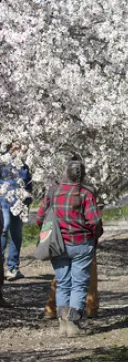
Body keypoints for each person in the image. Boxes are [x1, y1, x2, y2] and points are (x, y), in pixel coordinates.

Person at [36, 158, 103, 337]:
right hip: (81, 243)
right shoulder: (85, 194)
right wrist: (95, 234)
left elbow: (40, 218)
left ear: (65, 173)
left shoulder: (52, 193)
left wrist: (50, 234)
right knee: (79, 284)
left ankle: (62, 323)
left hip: (58, 244)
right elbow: (94, 221)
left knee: (63, 283)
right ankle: (73, 321)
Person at [1, 142, 33, 281]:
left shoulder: (24, 166)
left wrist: (27, 200)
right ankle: (1, 265)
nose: (20, 150)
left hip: (20, 205)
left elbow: (28, 184)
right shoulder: (3, 163)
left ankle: (13, 267)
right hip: (5, 204)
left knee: (16, 234)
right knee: (4, 229)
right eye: (17, 147)